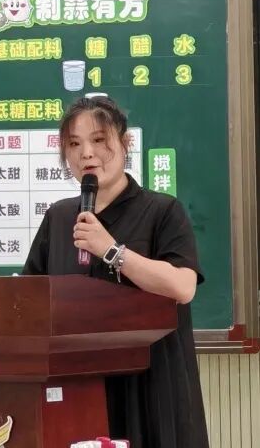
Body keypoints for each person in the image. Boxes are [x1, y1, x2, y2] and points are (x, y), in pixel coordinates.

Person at [22, 96, 209, 448]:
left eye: (99, 140)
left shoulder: (163, 211)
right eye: (74, 144)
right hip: (77, 386)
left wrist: (111, 250)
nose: (86, 154)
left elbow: (183, 286)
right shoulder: (59, 217)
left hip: (150, 385)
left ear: (125, 143)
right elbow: (29, 296)